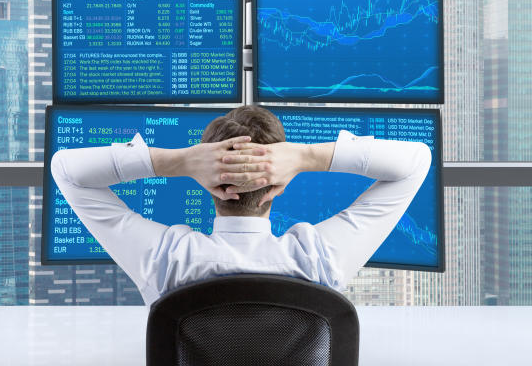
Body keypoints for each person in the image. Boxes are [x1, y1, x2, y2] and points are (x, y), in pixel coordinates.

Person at [50, 105, 432, 305]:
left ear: (207, 186)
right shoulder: (319, 260)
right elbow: (416, 162)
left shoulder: (167, 261)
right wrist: (304, 157)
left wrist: (181, 161)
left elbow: (65, 170)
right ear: (278, 187)